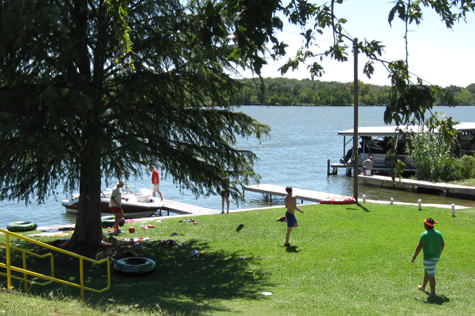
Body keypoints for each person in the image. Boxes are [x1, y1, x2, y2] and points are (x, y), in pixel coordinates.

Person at [411, 217, 445, 297]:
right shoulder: (438, 233)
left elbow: (419, 247)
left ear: (426, 225)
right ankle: (423, 287)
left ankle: (433, 293)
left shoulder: (424, 235)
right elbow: (443, 244)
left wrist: (414, 257)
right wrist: (439, 253)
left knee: (431, 275)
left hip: (428, 258)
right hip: (436, 257)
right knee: (427, 270)